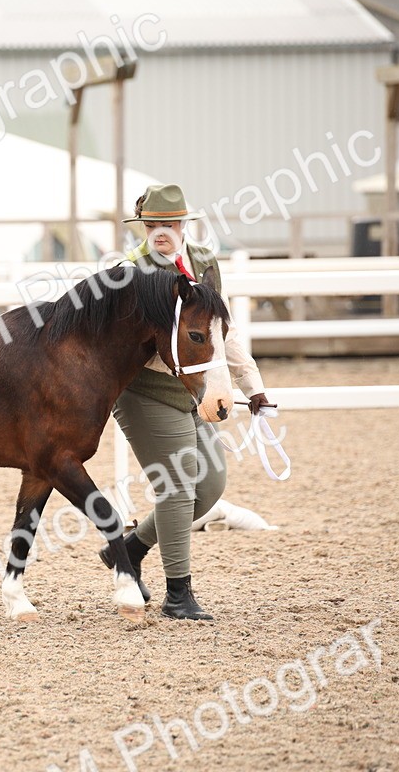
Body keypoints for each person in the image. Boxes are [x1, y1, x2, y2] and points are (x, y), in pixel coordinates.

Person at [100, 183, 270, 621]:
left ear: (183, 225)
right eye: (152, 224)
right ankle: (179, 594)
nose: (161, 231)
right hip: (144, 389)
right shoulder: (128, 272)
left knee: (210, 486)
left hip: (193, 389)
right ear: (143, 226)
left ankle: (130, 549)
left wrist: (252, 385)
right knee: (177, 484)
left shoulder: (205, 263)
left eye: (169, 223)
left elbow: (219, 331)